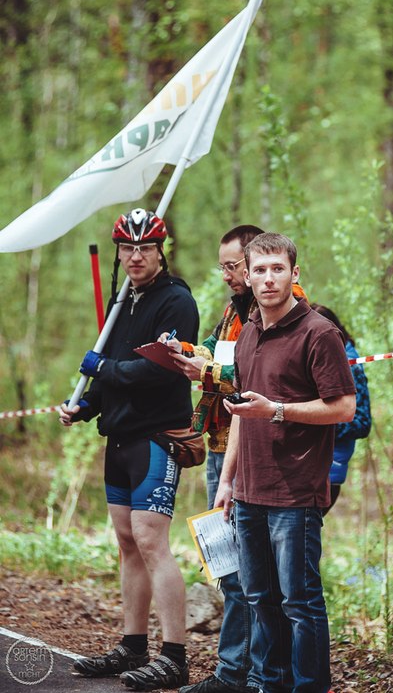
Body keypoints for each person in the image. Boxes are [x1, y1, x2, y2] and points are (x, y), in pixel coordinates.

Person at [59, 208, 199, 692]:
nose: (136, 255)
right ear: (118, 252)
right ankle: (132, 645)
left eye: (145, 247)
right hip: (119, 437)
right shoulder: (124, 301)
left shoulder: (176, 302)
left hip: (157, 436)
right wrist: (86, 406)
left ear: (161, 250)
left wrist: (103, 371)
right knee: (126, 541)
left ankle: (174, 655)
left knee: (151, 540)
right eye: (127, 247)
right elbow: (114, 370)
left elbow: (160, 370)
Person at [215, 232, 356, 693]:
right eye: (259, 269)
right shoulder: (247, 333)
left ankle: (310, 687)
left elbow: (343, 408)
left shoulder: (319, 333)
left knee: (300, 602)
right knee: (261, 599)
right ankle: (269, 684)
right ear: (247, 277)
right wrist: (228, 481)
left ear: (295, 274)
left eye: (278, 269)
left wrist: (276, 409)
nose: (268, 278)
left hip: (296, 493)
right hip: (250, 492)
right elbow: (240, 413)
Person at [159, 224, 264, 693]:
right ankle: (234, 669)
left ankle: (242, 673)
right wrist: (184, 354)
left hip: (251, 451)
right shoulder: (232, 309)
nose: (226, 275)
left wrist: (208, 369)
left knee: (249, 568)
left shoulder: (274, 306)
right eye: (221, 266)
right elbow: (221, 358)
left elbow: (255, 372)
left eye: (232, 265)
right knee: (224, 563)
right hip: (220, 445)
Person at [310, 303, 372, 513]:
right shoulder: (319, 358)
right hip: (309, 467)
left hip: (330, 468)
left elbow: (361, 422)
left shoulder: (349, 362)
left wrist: (313, 422)